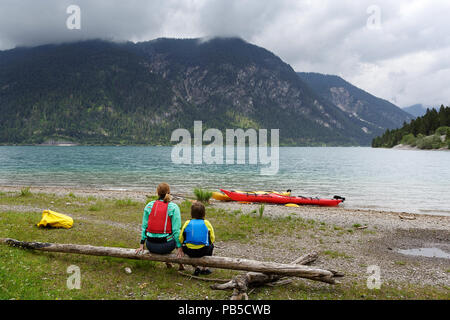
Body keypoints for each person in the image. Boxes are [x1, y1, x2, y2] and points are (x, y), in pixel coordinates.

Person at [136, 183, 184, 269]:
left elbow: (144, 227)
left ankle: (169, 262)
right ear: (169, 192)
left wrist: (141, 245)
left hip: (150, 245)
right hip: (166, 246)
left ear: (157, 193)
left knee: (166, 235)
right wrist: (179, 247)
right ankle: (180, 264)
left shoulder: (149, 205)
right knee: (175, 234)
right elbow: (176, 230)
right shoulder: (173, 207)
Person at [179, 201, 215, 275]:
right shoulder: (207, 223)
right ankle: (204, 268)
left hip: (190, 251)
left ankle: (196, 268)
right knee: (211, 246)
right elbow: (212, 238)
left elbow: (181, 238)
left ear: (191, 213)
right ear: (203, 213)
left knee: (185, 246)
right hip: (203, 250)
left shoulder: (187, 223)